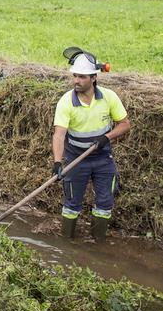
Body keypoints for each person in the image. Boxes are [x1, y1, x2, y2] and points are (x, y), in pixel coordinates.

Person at [51, 50, 130, 240]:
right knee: (71, 204)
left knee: (104, 203)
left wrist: (107, 137)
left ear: (94, 78)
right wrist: (57, 162)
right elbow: (59, 135)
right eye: (75, 76)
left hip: (102, 158)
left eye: (82, 77)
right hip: (76, 159)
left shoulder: (109, 97)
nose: (76, 80)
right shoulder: (66, 102)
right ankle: (67, 243)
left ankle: (98, 244)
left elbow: (125, 124)